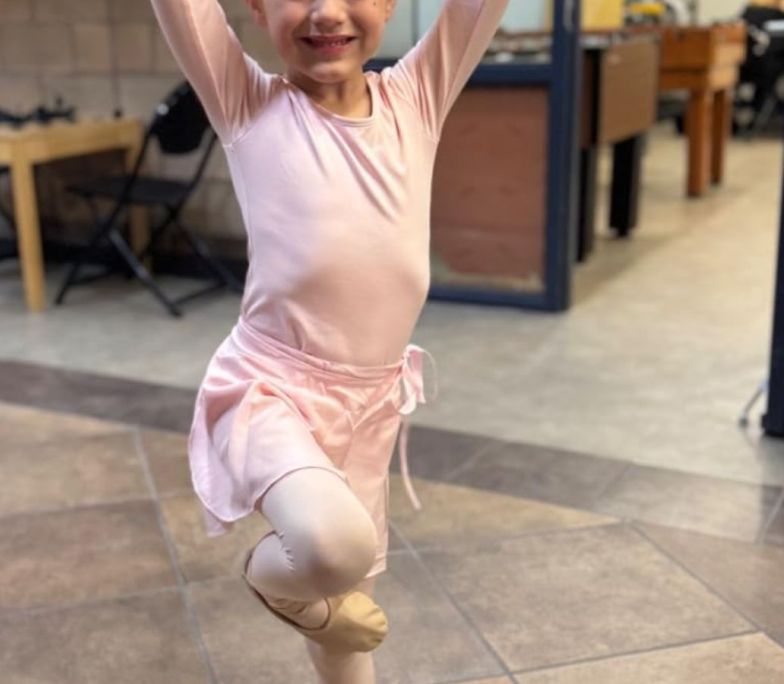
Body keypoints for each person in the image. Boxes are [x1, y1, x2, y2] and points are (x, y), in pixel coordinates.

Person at [151, 0, 510, 679]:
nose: (326, 12)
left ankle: (307, 602)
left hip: (370, 406)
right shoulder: (247, 105)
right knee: (329, 551)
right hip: (272, 389)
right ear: (257, 8)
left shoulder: (417, 97)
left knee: (348, 625)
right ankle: (268, 579)